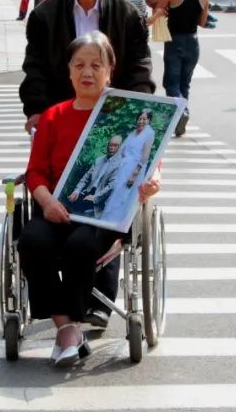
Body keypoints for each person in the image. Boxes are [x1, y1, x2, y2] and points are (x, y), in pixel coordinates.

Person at [20, 0, 155, 330]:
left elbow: (140, 71)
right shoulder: (45, 15)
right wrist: (38, 112)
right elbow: (34, 69)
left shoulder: (128, 16)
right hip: (62, 115)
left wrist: (135, 114)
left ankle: (96, 302)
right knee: (48, 217)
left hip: (112, 117)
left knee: (106, 203)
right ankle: (63, 310)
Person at [20, 32, 160, 366]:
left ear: (110, 71)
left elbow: (151, 160)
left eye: (96, 65)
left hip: (103, 213)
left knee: (80, 246)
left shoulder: (123, 116)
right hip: (55, 208)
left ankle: (68, 330)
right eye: (79, 64)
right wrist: (47, 203)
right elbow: (35, 172)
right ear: (69, 71)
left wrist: (154, 182)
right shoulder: (53, 116)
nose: (87, 72)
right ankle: (66, 326)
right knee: (31, 241)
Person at [148, 0, 209, 138]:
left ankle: (182, 113)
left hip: (175, 41)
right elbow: (202, 22)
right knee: (184, 84)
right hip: (193, 42)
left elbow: (158, 12)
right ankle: (179, 122)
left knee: (171, 83)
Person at [98, 109, 156, 227]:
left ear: (149, 120)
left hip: (134, 170)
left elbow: (145, 157)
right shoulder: (134, 132)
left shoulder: (149, 133)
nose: (141, 121)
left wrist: (133, 175)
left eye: (144, 119)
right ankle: (107, 221)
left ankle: (116, 223)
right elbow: (123, 149)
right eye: (139, 118)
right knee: (115, 193)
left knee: (123, 196)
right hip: (123, 167)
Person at [68, 134, 123, 218]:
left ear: (119, 147)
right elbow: (85, 178)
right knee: (70, 201)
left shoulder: (119, 165)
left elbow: (111, 186)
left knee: (79, 208)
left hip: (99, 197)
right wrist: (76, 191)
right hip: (87, 192)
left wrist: (95, 197)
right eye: (110, 145)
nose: (111, 148)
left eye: (115, 145)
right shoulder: (98, 160)